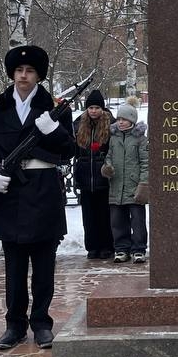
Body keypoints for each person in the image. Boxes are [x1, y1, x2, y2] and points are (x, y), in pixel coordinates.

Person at [0, 44, 77, 351]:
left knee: (44, 266)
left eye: (30, 71)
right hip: (10, 195)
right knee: (15, 268)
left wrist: (54, 130)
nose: (23, 76)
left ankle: (42, 323)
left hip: (44, 191)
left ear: (39, 75)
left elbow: (69, 151)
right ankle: (15, 325)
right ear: (12, 74)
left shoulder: (56, 109)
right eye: (19, 70)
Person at [72, 90, 115, 260]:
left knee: (104, 214)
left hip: (103, 176)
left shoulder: (110, 125)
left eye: (97, 107)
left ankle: (107, 246)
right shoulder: (79, 124)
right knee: (89, 216)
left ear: (102, 108)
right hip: (85, 176)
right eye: (91, 107)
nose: (94, 111)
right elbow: (75, 150)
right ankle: (92, 246)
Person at [105, 98, 149, 262]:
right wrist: (107, 167)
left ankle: (139, 249)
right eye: (119, 119)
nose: (120, 122)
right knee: (117, 220)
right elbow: (109, 157)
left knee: (137, 220)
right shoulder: (114, 138)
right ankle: (121, 248)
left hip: (134, 186)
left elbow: (145, 163)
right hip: (117, 185)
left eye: (124, 119)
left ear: (132, 120)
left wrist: (143, 184)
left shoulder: (140, 139)